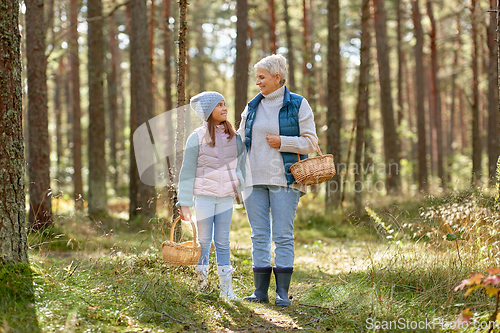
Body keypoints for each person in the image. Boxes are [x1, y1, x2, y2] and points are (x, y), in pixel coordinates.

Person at [238, 54, 318, 306]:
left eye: (261, 77)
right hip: (253, 179)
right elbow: (240, 140)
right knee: (258, 235)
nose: (258, 83)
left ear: (277, 77)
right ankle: (260, 292)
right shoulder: (252, 106)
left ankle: (282, 293)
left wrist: (282, 142)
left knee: (282, 235)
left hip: (286, 179)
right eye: (257, 78)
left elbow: (311, 142)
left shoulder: (298, 104)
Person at [177, 91, 245, 300]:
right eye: (219, 105)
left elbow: (240, 166)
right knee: (204, 241)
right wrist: (185, 203)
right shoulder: (196, 137)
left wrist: (239, 184)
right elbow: (187, 172)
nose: (224, 109)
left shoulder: (235, 138)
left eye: (225, 104)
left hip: (225, 198)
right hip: (204, 198)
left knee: (223, 242)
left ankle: (227, 290)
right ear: (208, 111)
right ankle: (201, 285)